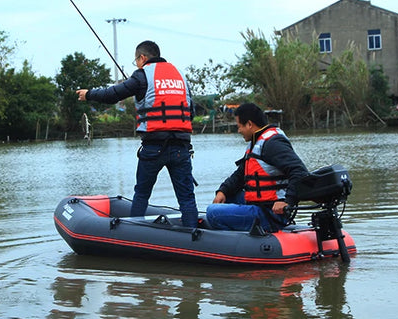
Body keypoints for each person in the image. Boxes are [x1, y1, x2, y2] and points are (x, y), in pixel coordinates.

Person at [77, 40, 198, 227]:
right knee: (187, 198)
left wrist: (89, 94)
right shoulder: (181, 76)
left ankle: (134, 235)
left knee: (141, 194)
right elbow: (191, 112)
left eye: (136, 61)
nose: (137, 64)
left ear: (142, 58)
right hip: (181, 148)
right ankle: (194, 238)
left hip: (153, 147)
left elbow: (112, 94)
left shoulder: (142, 76)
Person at [206, 102, 309, 231]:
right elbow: (240, 174)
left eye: (239, 126)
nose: (238, 131)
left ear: (249, 124)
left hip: (271, 213)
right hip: (261, 204)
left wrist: (288, 201)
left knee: (212, 212)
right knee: (228, 197)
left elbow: (300, 171)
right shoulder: (256, 142)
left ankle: (245, 243)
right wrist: (223, 191)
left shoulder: (272, 143)